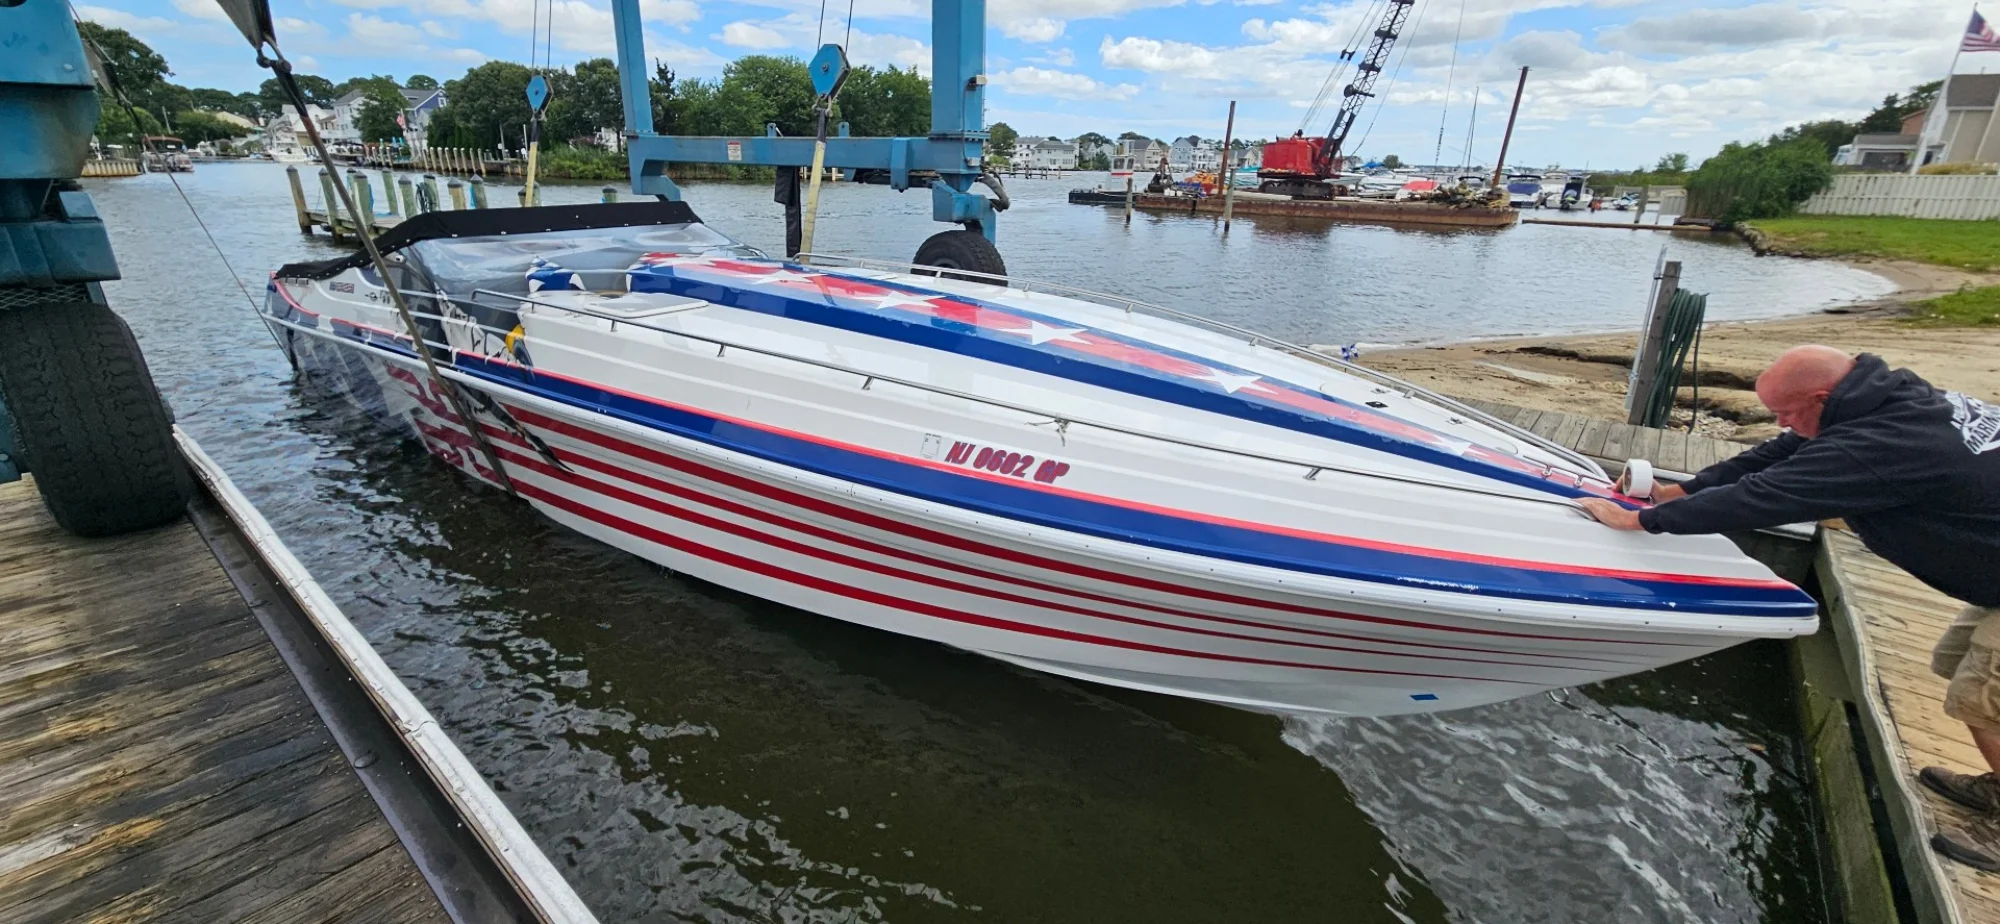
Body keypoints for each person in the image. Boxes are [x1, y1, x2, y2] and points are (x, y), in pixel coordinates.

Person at [1579, 345, 2000, 869]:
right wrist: (1676, 491)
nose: (1780, 423)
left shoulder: (1882, 445)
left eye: (1786, 412)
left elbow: (1763, 496)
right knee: (1960, 668)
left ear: (1823, 396)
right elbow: (1774, 456)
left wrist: (1641, 523)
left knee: (1982, 701)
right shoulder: (1888, 397)